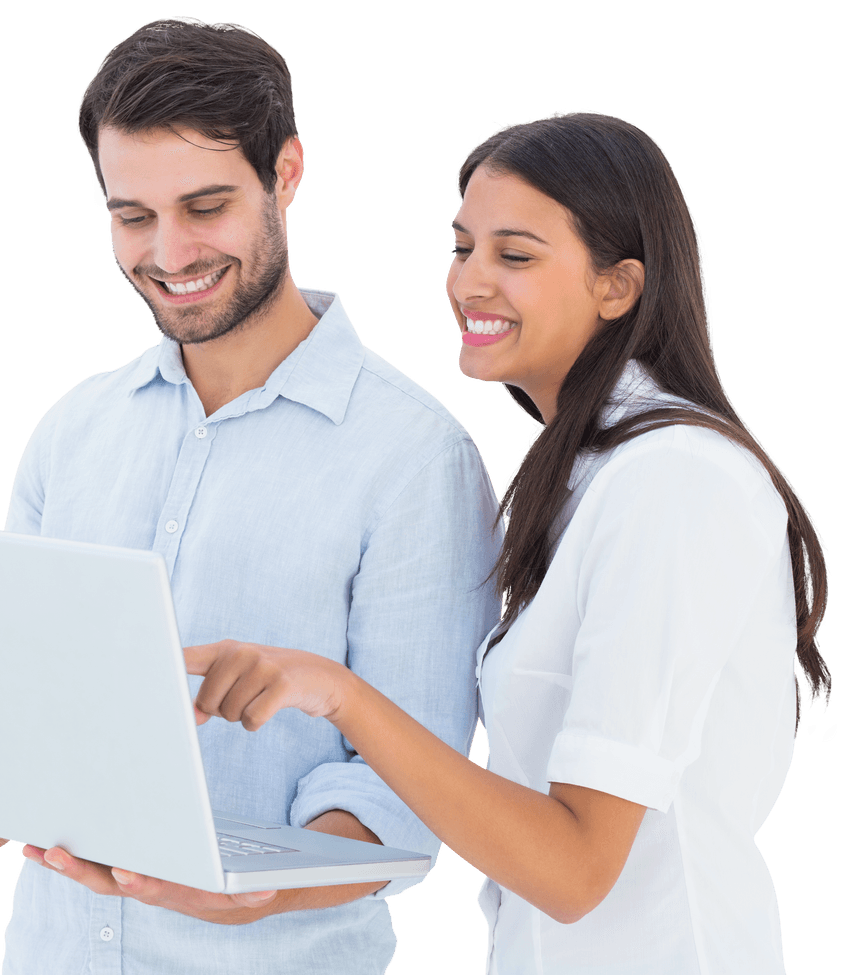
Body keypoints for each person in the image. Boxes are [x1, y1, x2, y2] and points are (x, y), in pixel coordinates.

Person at [0, 16, 501, 975]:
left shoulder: (417, 458)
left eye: (206, 205)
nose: (170, 252)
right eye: (132, 216)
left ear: (284, 173)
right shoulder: (73, 431)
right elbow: (32, 703)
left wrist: (259, 886)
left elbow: (407, 795)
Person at [186, 110, 832, 973]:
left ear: (619, 285)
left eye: (515, 256)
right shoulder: (579, 476)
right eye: (463, 248)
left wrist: (339, 693)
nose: (470, 282)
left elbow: (574, 870)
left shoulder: (675, 480)